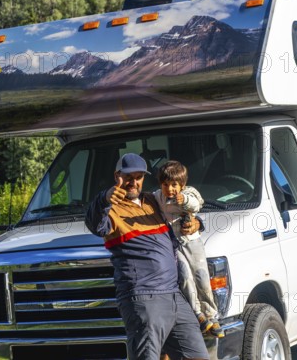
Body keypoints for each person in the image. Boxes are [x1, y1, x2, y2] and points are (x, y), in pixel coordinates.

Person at [85, 152, 209, 360]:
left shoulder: (153, 200)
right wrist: (104, 198)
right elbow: (95, 223)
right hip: (144, 298)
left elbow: (180, 216)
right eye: (128, 177)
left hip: (174, 294)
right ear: (117, 176)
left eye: (138, 177)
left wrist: (197, 224)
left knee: (198, 356)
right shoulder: (111, 208)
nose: (133, 182)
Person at [154, 160, 224, 338]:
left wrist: (184, 200)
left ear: (182, 185)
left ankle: (212, 315)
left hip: (192, 242)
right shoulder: (158, 197)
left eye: (174, 185)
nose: (170, 189)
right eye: (165, 185)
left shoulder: (188, 193)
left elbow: (196, 204)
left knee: (201, 276)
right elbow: (146, 202)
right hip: (175, 244)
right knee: (185, 277)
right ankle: (198, 314)